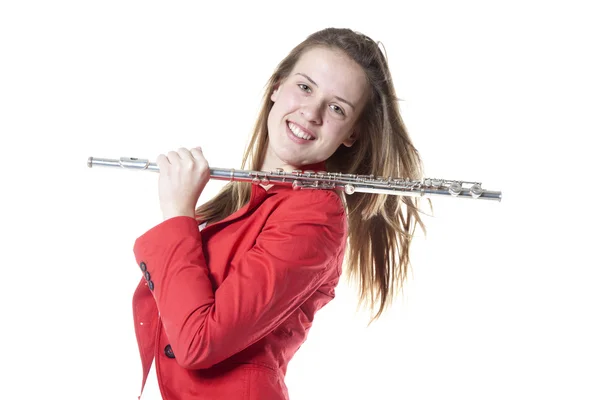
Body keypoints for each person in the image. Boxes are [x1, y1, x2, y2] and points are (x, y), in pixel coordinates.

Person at [131, 27, 427, 400]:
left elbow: (197, 341)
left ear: (351, 134)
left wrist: (178, 214)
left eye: (337, 108)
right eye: (305, 87)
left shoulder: (315, 215)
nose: (312, 112)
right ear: (277, 86)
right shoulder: (255, 198)